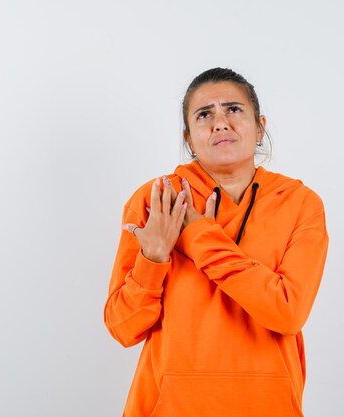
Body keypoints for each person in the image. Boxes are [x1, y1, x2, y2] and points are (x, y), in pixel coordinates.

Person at [103, 67, 329, 417]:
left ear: (259, 127)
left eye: (233, 110)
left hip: (268, 406)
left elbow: (287, 312)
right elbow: (123, 328)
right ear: (190, 139)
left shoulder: (299, 202)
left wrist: (197, 236)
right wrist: (153, 258)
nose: (220, 123)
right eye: (204, 114)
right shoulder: (158, 199)